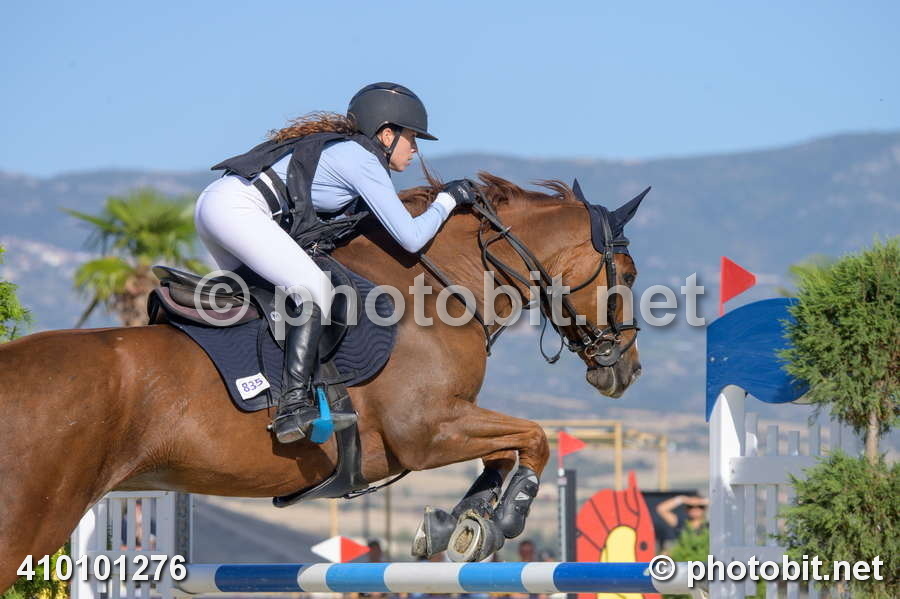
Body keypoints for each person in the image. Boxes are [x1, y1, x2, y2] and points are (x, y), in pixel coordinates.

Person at [194, 83, 479, 443]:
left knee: (273, 303)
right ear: (386, 134)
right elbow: (411, 238)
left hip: (218, 205)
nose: (415, 149)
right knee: (314, 289)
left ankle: (252, 389)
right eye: (411, 137)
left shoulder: (346, 153)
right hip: (237, 210)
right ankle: (293, 406)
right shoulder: (362, 160)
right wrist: (447, 200)